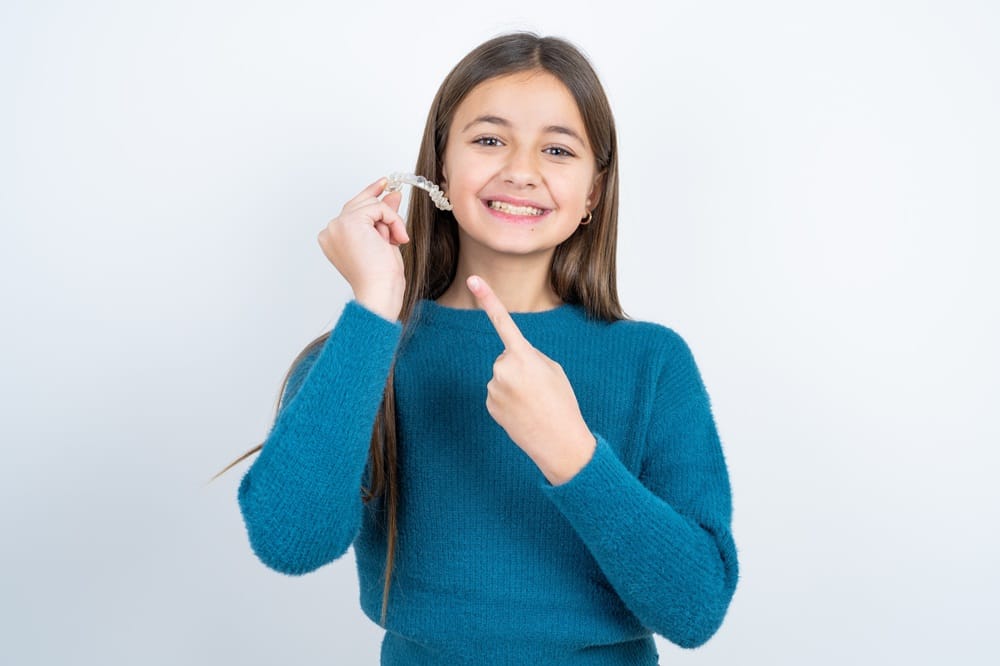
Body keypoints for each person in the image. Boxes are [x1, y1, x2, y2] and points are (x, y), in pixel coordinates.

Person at [216, 31, 739, 665]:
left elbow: (696, 609)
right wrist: (375, 307)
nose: (521, 171)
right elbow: (289, 541)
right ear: (440, 166)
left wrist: (570, 452)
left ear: (594, 194)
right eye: (489, 140)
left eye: (557, 148)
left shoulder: (653, 362)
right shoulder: (362, 351)